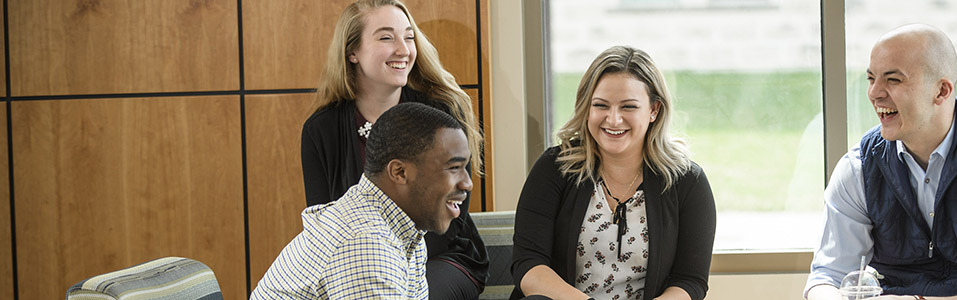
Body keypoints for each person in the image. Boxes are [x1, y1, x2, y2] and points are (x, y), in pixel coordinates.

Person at [804, 24, 957, 300]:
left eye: (893, 80)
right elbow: (828, 276)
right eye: (871, 78)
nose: (874, 93)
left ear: (942, 91)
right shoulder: (858, 167)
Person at [299, 1, 488, 298]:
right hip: (355, 260)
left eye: (409, 37)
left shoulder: (442, 115)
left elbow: (450, 218)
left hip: (441, 256)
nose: (404, 49)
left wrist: (389, 263)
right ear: (353, 52)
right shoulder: (320, 130)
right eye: (387, 37)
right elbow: (324, 225)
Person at [509, 46, 717, 300]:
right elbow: (528, 265)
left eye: (628, 107)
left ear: (654, 110)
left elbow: (690, 281)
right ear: (587, 108)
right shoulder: (555, 167)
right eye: (601, 105)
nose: (613, 119)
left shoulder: (687, 181)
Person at [253, 102, 473, 299]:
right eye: (453, 168)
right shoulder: (366, 244)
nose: (467, 183)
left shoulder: (406, 233)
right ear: (399, 172)